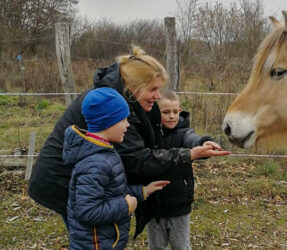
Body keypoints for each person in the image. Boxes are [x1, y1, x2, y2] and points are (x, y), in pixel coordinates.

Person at [28, 45, 231, 238]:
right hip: (64, 182)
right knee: (92, 238)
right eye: (153, 89)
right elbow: (136, 159)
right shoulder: (113, 106)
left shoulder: (123, 98)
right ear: (134, 86)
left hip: (87, 181)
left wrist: (195, 143)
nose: (158, 96)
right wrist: (189, 154)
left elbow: (160, 138)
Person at [63, 87, 169, 249]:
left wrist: (143, 191)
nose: (128, 125)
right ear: (108, 122)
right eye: (124, 120)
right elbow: (88, 212)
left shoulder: (105, 152)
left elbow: (112, 192)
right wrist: (126, 206)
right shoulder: (95, 164)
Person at [145, 89, 222, 249]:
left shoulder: (184, 133)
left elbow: (192, 140)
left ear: (180, 111)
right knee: (156, 246)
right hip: (153, 206)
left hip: (179, 205)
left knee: (181, 246)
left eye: (175, 112)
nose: (172, 116)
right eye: (166, 112)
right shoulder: (148, 135)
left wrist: (204, 142)